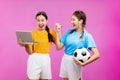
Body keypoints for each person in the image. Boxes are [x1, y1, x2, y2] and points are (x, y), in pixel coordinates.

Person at [55, 10, 100, 80]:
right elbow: (59, 47)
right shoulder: (69, 32)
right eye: (71, 20)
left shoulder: (87, 36)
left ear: (80, 21)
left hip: (74, 63)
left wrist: (84, 63)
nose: (71, 22)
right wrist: (58, 31)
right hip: (65, 60)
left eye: (73, 20)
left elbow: (97, 54)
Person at [18, 11, 56, 80]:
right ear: (36, 21)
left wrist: (59, 31)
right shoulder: (32, 33)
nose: (40, 23)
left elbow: (59, 45)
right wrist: (25, 44)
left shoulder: (51, 32)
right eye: (38, 20)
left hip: (45, 60)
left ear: (46, 21)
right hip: (34, 60)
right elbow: (30, 52)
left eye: (42, 20)